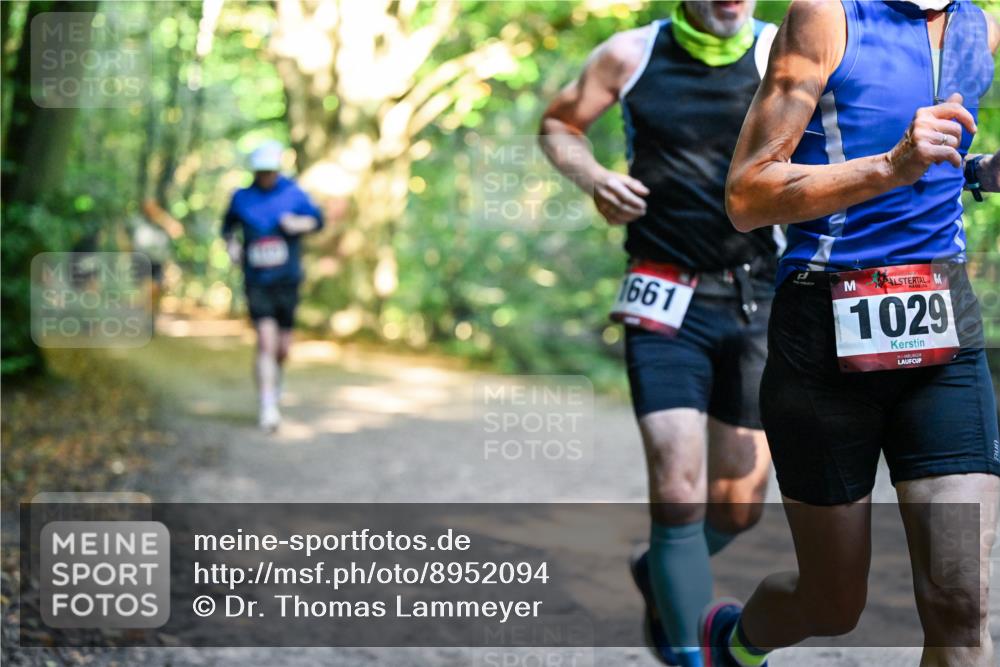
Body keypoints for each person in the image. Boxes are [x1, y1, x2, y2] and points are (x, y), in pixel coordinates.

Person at [702, 1, 1000, 666]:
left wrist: (978, 169)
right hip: (823, 328)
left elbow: (929, 153)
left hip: (941, 325)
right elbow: (748, 195)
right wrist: (892, 165)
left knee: (962, 602)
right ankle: (736, 640)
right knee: (832, 602)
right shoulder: (826, 17)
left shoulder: (980, 27)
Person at [539, 3, 781, 665]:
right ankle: (690, 648)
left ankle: (662, 569)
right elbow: (559, 125)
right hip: (663, 292)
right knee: (677, 485)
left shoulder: (785, 52)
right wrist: (593, 176)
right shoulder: (630, 53)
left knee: (737, 508)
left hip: (759, 296)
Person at [222, 140, 324, 432]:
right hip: (257, 281)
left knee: (282, 348)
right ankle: (268, 406)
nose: (266, 176)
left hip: (287, 281)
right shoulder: (241, 198)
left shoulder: (294, 194)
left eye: (271, 171)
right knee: (265, 342)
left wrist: (298, 224)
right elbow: (227, 229)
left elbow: (318, 221)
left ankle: (276, 379)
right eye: (261, 171)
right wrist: (232, 248)